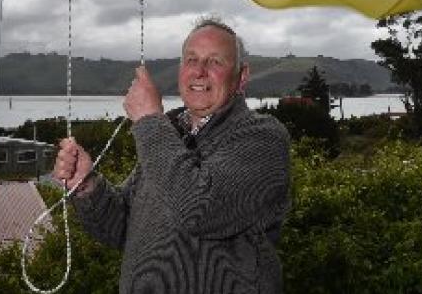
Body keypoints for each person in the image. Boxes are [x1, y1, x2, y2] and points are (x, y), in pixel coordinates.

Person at [54, 17, 291, 294]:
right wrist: (87, 183)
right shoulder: (170, 131)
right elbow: (123, 228)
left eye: (215, 61)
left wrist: (149, 120)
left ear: (242, 76)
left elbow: (199, 211)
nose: (199, 71)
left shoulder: (264, 137)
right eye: (191, 60)